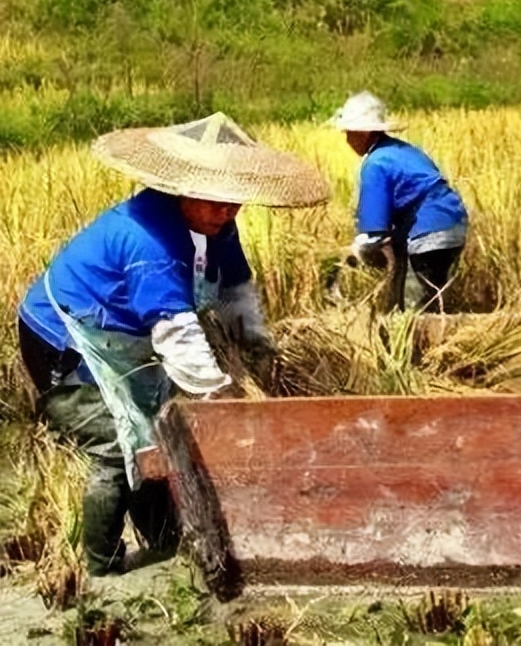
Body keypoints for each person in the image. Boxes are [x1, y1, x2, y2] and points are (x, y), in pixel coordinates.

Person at [16, 113, 328, 576]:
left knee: (154, 432)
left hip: (125, 335)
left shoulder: (216, 225)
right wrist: (220, 396)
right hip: (66, 337)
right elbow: (175, 330)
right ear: (185, 187)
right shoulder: (150, 241)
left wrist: (259, 349)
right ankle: (103, 569)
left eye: (235, 201)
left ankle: (162, 542)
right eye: (218, 201)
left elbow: (235, 289)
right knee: (115, 444)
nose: (230, 211)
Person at [330, 91, 469, 312]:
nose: (347, 139)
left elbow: (375, 232)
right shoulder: (402, 150)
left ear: (364, 133)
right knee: (433, 299)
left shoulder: (375, 163)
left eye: (349, 133)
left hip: (429, 232)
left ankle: (414, 342)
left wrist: (352, 254)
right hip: (452, 225)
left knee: (414, 309)